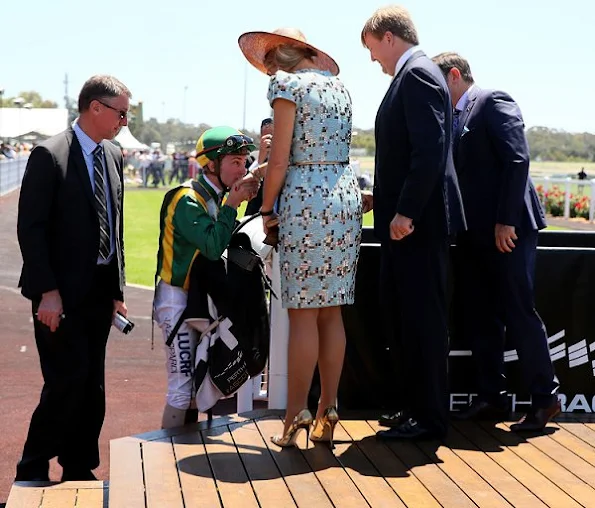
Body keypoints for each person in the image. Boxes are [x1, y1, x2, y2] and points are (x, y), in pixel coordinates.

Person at [239, 27, 362, 448]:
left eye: (269, 60)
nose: (267, 68)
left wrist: (268, 208)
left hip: (305, 201)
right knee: (332, 312)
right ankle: (328, 410)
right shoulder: (338, 88)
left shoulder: (286, 85)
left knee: (302, 313)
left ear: (281, 56)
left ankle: (295, 416)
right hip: (344, 198)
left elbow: (278, 159)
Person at [433, 52, 560, 431]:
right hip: (473, 236)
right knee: (480, 316)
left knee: (517, 311)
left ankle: (545, 398)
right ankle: (491, 397)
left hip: (509, 231)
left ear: (454, 76)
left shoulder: (493, 101)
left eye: (437, 85)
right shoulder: (453, 118)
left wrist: (506, 222)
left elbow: (517, 160)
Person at [15, 75, 130, 481]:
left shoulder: (113, 155)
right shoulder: (49, 154)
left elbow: (114, 228)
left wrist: (117, 291)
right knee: (66, 381)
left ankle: (78, 465)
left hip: (99, 293)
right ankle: (32, 465)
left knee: (92, 387)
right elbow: (31, 228)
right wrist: (48, 292)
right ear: (95, 108)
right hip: (58, 295)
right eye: (121, 112)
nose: (124, 121)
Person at [360, 6, 465, 440]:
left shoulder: (418, 74)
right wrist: (383, 199)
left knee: (421, 322)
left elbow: (429, 152)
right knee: (404, 319)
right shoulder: (414, 74)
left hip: (416, 228)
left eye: (371, 49)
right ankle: (414, 408)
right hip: (404, 225)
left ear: (388, 37)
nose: (373, 60)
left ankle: (429, 418)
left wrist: (405, 211)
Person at [153, 126, 259, 429]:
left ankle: (181, 451)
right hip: (178, 299)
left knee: (197, 381)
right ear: (211, 164)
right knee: (181, 386)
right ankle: (167, 457)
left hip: (201, 300)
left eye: (245, 162)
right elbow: (213, 247)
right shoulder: (187, 199)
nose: (243, 169)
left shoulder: (216, 194)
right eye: (235, 162)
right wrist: (231, 206)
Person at [245, 117, 274, 216]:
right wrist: (260, 160)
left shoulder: (288, 159)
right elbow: (243, 186)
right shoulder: (252, 158)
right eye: (267, 137)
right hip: (253, 215)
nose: (270, 141)